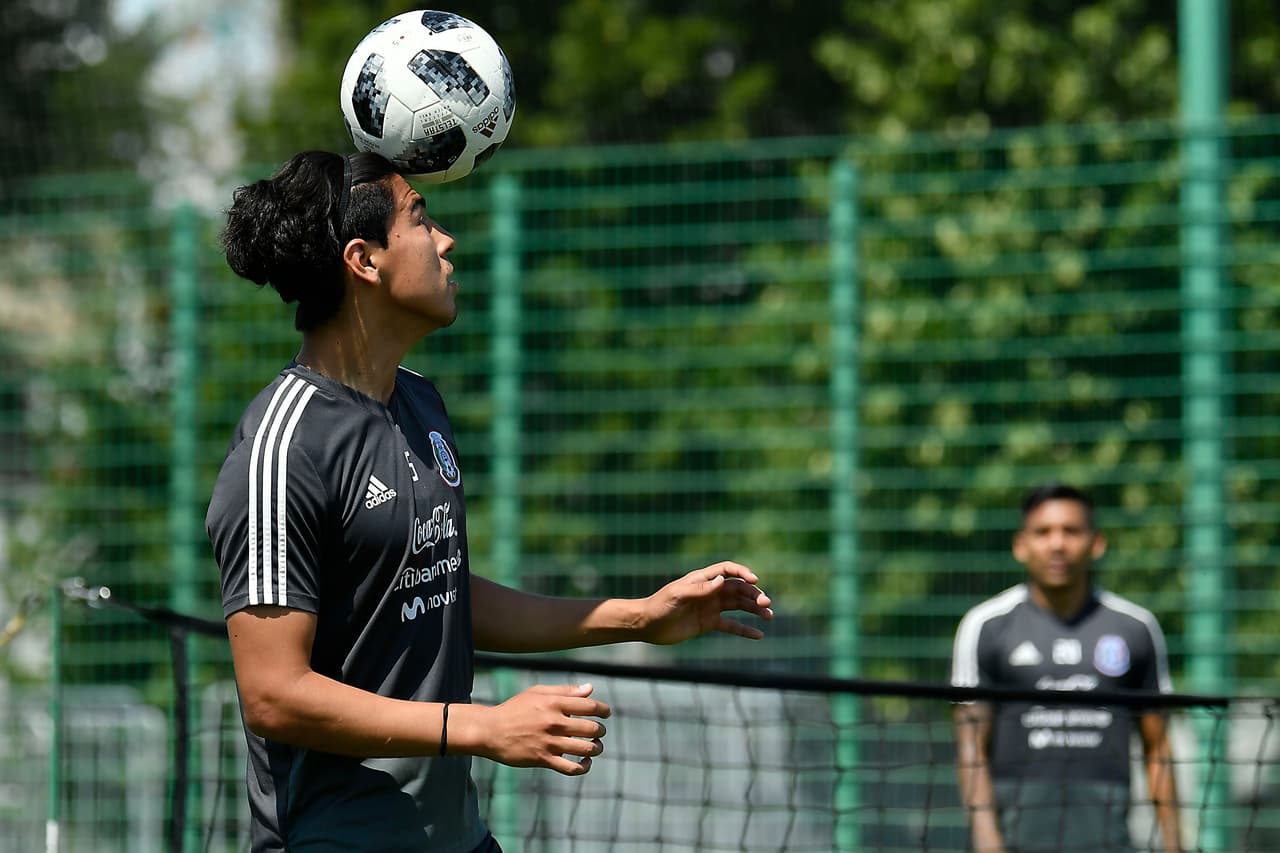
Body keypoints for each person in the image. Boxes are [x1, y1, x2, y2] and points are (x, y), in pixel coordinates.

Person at [205, 150, 774, 853]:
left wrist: (640, 616)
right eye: (420, 217)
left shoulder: (419, 401)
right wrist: (480, 725)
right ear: (365, 260)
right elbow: (273, 692)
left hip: (458, 838)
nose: (446, 240)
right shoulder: (282, 446)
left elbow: (440, 593)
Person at [950, 483, 1181, 853]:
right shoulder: (986, 626)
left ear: (1097, 543)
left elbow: (1159, 747)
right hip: (1017, 841)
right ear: (1020, 545)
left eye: (1071, 531)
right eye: (1043, 532)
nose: (1057, 544)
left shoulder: (1135, 628)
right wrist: (988, 844)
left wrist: (1174, 846)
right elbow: (971, 747)